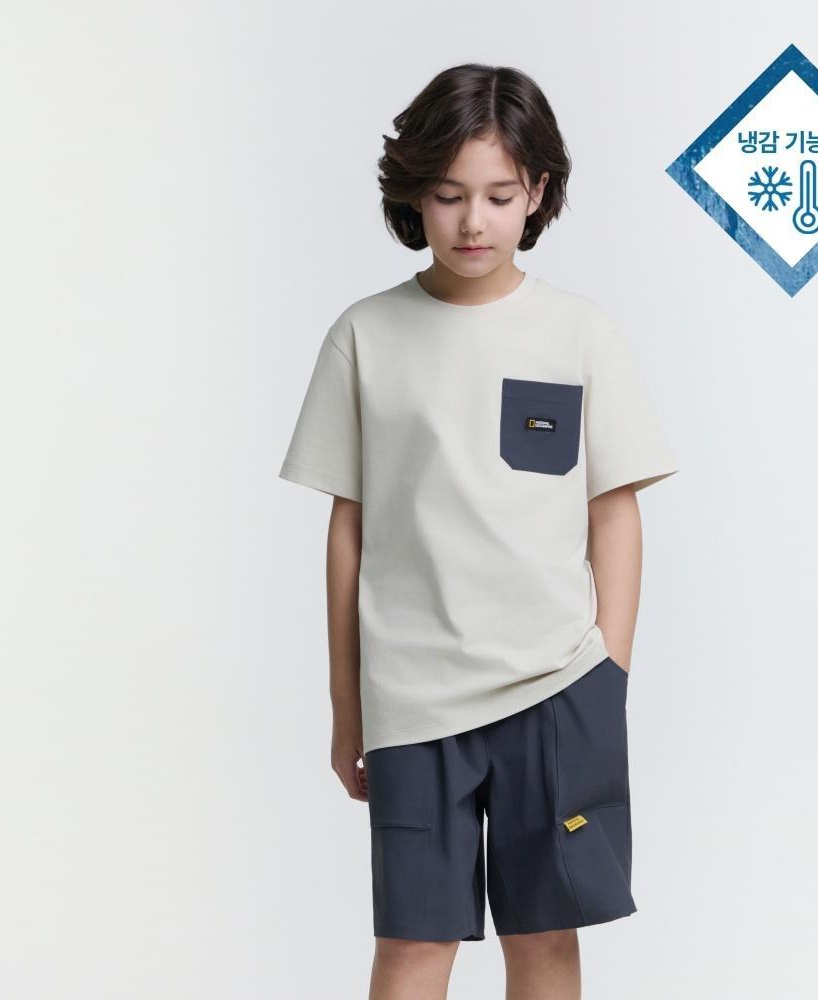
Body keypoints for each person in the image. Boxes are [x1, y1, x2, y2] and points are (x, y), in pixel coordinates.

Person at [278, 63, 678, 1000]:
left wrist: (609, 671)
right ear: (414, 193)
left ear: (537, 193)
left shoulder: (580, 333)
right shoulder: (365, 336)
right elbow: (349, 530)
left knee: (544, 941)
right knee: (413, 948)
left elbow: (613, 510)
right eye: (449, 195)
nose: (472, 222)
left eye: (499, 196)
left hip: (558, 689)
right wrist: (347, 707)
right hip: (413, 701)